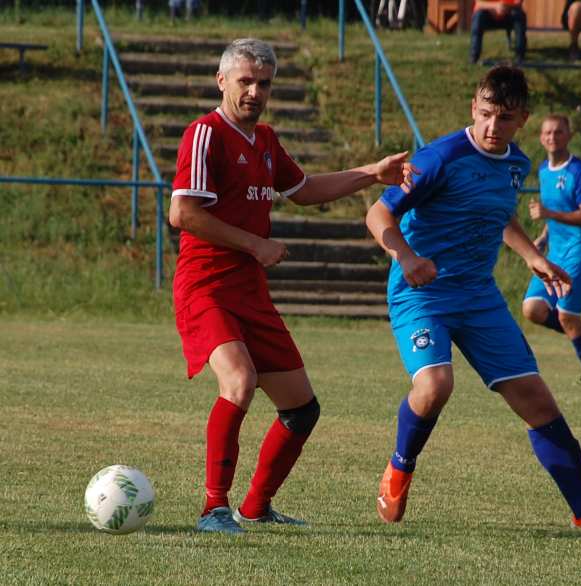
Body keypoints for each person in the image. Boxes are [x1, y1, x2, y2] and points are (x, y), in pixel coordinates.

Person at [366, 65, 581, 530]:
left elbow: (498, 215)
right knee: (435, 386)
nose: (493, 126)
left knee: (537, 398)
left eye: (505, 118)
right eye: (486, 113)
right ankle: (399, 469)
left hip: (478, 295)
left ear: (522, 120)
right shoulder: (439, 158)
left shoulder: (515, 164)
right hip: (422, 292)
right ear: (474, 106)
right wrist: (406, 257)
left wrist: (533, 256)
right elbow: (378, 212)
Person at [169, 38, 414, 534]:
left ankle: (255, 507)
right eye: (246, 81)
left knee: (302, 408)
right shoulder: (205, 134)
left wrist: (372, 173)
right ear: (222, 81)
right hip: (206, 286)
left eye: (264, 83)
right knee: (239, 383)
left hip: (249, 291)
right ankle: (213, 509)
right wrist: (255, 245)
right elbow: (183, 213)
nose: (255, 91)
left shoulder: (265, 140)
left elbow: (304, 191)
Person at [522, 114, 581, 385]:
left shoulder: (579, 172)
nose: (552, 137)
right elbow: (554, 215)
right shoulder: (544, 170)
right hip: (555, 252)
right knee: (532, 309)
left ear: (569, 136)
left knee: (567, 316)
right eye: (547, 132)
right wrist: (544, 238)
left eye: (558, 132)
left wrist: (548, 213)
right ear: (541, 137)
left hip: (579, 251)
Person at [470, 0, 527, 65]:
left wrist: (506, 7)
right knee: (478, 16)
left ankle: (520, 56)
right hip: (488, 15)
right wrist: (495, 6)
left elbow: (518, 3)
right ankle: (474, 56)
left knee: (519, 14)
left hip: (508, 13)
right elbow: (478, 3)